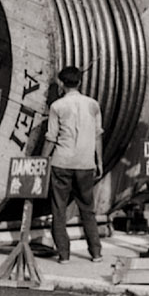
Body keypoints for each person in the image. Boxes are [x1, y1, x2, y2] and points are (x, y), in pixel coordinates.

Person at [41, 66, 104, 263]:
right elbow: (97, 136)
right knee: (88, 209)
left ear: (61, 83)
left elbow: (51, 138)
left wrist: (43, 161)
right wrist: (99, 161)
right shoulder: (93, 105)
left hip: (62, 162)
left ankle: (64, 255)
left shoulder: (57, 107)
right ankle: (96, 253)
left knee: (59, 209)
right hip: (86, 163)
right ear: (80, 82)